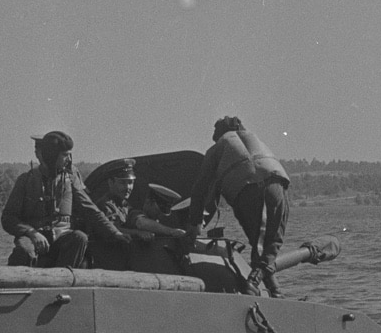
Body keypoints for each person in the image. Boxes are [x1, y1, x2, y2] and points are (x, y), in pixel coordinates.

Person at [186, 116, 290, 296]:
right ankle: (275, 291)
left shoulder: (217, 149)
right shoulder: (253, 137)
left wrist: (194, 222)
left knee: (258, 243)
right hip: (277, 185)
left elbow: (200, 189)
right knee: (272, 242)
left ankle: (252, 283)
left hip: (248, 190)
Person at [0, 131, 130, 268]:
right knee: (24, 250)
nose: (69, 159)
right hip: (33, 237)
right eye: (65, 155)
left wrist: (115, 232)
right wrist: (32, 233)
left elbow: (90, 209)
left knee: (79, 238)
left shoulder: (70, 179)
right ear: (52, 156)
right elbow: (8, 218)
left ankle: (64, 281)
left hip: (62, 237)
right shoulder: (26, 180)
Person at [88, 160, 190, 272]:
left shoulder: (124, 205)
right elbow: (112, 229)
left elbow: (139, 220)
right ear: (111, 182)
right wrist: (138, 233)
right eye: (123, 183)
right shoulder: (105, 205)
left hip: (124, 262)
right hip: (110, 263)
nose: (128, 187)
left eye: (130, 183)